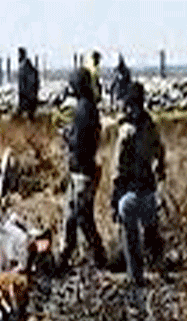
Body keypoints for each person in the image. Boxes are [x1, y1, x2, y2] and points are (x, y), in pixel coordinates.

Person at [109, 84, 166, 284]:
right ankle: (158, 267)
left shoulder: (126, 131)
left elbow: (117, 168)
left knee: (131, 236)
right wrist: (160, 175)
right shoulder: (150, 125)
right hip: (148, 189)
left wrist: (114, 198)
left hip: (130, 191)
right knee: (151, 231)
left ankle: (135, 275)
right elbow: (160, 153)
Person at [56, 65, 107, 271]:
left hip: (83, 172)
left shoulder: (84, 110)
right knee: (71, 215)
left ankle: (99, 257)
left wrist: (65, 134)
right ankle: (64, 257)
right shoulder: (87, 107)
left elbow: (78, 142)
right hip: (80, 170)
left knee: (82, 217)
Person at [15, 47, 39, 119]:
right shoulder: (24, 66)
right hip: (24, 95)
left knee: (28, 116)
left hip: (27, 96)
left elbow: (30, 81)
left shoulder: (27, 66)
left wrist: (28, 94)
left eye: (19, 54)